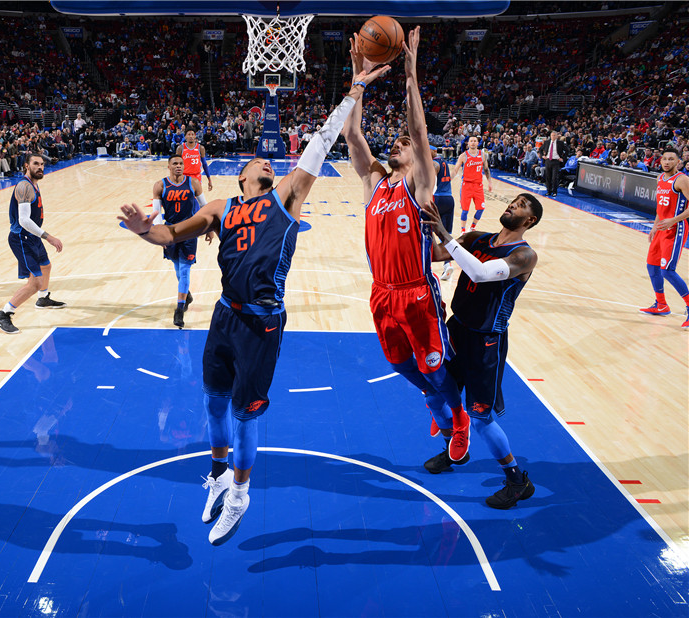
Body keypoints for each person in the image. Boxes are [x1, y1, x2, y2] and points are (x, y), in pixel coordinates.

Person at [118, 63, 389, 546]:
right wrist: (143, 230)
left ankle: (240, 495)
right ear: (241, 174)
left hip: (262, 322)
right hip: (225, 314)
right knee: (213, 402)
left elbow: (320, 143)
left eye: (272, 164)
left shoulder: (286, 197)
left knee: (245, 414)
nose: (268, 164)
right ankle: (219, 475)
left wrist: (354, 89)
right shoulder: (221, 208)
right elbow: (171, 234)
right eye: (259, 163)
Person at [342, 27, 471, 466]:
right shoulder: (374, 182)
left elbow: (418, 131)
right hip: (382, 292)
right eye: (394, 143)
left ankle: (457, 418)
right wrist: (359, 77)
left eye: (404, 145)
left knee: (433, 366)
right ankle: (438, 402)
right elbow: (352, 135)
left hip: (417, 292)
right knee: (400, 364)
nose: (397, 146)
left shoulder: (419, 185)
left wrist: (411, 74)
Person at [421, 192, 543, 509]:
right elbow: (434, 254)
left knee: (481, 418)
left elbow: (480, 272)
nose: (513, 205)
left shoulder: (524, 255)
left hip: (486, 342)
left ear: (530, 220)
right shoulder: (476, 238)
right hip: (455, 329)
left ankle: (517, 481)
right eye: (513, 201)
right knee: (434, 395)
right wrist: (419, 228)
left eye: (521, 205)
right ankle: (455, 448)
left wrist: (444, 233)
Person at [0, 153, 65, 334]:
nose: (40, 167)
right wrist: (48, 237)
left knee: (46, 266)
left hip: (32, 236)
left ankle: (43, 298)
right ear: (26, 165)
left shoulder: (34, 184)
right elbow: (24, 220)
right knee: (35, 282)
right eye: (35, 164)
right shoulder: (24, 186)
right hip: (22, 238)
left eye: (42, 164)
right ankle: (3, 314)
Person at [151, 154, 208, 328]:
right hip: (170, 231)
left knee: (184, 270)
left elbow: (205, 207)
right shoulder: (160, 185)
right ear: (169, 166)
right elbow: (156, 212)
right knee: (177, 268)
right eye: (175, 163)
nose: (178, 166)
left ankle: (180, 308)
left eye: (181, 163)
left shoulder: (194, 183)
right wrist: (159, 231)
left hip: (189, 230)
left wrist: (209, 228)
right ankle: (186, 295)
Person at [639, 146, 689, 328]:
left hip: (676, 228)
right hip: (661, 228)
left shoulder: (682, 180)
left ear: (678, 162)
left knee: (667, 270)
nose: (667, 162)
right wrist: (655, 226)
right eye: (664, 159)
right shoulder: (660, 178)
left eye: (671, 159)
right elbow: (661, 207)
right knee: (652, 266)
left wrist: (673, 220)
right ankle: (661, 304)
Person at [452, 135, 492, 234]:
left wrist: (490, 182)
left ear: (478, 143)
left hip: (478, 186)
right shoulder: (463, 156)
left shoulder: (482, 154)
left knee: (481, 208)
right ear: (468, 143)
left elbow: (486, 169)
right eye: (471, 141)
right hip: (467, 185)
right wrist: (448, 179)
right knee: (465, 210)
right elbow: (455, 170)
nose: (473, 142)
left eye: (475, 141)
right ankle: (463, 230)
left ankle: (472, 227)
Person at [432, 146, 455, 281]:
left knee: (427, 231)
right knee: (445, 234)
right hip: (449, 199)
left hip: (438, 198)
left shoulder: (434, 163)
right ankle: (448, 264)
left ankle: (425, 264)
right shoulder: (444, 161)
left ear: (434, 151)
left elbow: (433, 179)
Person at [539, 130, 567, 197]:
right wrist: (542, 156)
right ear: (550, 136)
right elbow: (540, 149)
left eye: (554, 135)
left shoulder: (560, 143)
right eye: (552, 135)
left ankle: (554, 191)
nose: (553, 137)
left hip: (556, 161)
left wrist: (563, 158)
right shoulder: (547, 142)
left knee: (554, 177)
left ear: (557, 136)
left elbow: (567, 150)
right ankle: (548, 191)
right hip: (548, 161)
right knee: (548, 177)